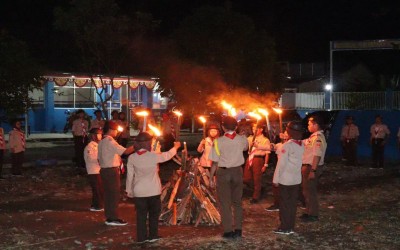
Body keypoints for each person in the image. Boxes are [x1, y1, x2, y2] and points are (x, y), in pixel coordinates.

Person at [126, 132, 181, 243]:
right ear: (146, 144)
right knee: (153, 215)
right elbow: (167, 155)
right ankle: (153, 236)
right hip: (153, 190)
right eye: (150, 142)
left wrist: (129, 190)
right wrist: (175, 147)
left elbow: (129, 176)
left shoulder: (132, 157)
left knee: (141, 216)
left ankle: (141, 238)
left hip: (139, 191)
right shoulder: (153, 156)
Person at [209, 116, 248, 239]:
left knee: (225, 203)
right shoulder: (242, 139)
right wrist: (242, 136)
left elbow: (215, 162)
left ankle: (228, 231)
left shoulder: (217, 142)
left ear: (223, 127)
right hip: (237, 171)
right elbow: (246, 148)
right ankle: (238, 229)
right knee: (237, 202)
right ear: (236, 126)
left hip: (224, 173)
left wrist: (211, 177)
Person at [98, 120, 134, 226]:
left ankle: (109, 216)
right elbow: (125, 151)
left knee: (109, 195)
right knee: (113, 195)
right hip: (111, 171)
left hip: (104, 170)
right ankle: (113, 217)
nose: (117, 132)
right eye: (115, 130)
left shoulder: (102, 141)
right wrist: (137, 145)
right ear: (110, 130)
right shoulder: (110, 141)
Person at [273, 121, 305, 235]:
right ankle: (290, 226)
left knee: (285, 204)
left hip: (286, 180)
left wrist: (275, 179)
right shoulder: (302, 144)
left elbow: (281, 164)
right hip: (296, 179)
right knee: (292, 204)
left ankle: (284, 227)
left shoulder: (288, 145)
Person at [300, 115, 327, 222]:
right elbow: (302, 143)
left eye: (309, 124)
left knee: (311, 191)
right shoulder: (312, 137)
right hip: (308, 166)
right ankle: (308, 211)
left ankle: (313, 214)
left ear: (316, 125)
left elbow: (317, 155)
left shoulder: (318, 138)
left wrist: (313, 170)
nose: (308, 126)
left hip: (311, 167)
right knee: (306, 191)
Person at [243, 123, 270, 204]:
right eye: (253, 128)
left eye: (256, 128)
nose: (254, 129)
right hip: (250, 158)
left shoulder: (265, 140)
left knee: (257, 179)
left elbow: (267, 153)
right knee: (246, 178)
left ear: (261, 129)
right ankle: (259, 189)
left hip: (258, 159)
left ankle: (256, 196)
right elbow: (243, 144)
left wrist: (265, 165)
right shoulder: (250, 138)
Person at [84, 128, 104, 212]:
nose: (100, 136)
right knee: (97, 189)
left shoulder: (98, 145)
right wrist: (101, 159)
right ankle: (97, 206)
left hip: (98, 170)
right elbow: (91, 158)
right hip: (93, 170)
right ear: (93, 135)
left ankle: (95, 205)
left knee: (99, 188)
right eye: (98, 134)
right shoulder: (90, 146)